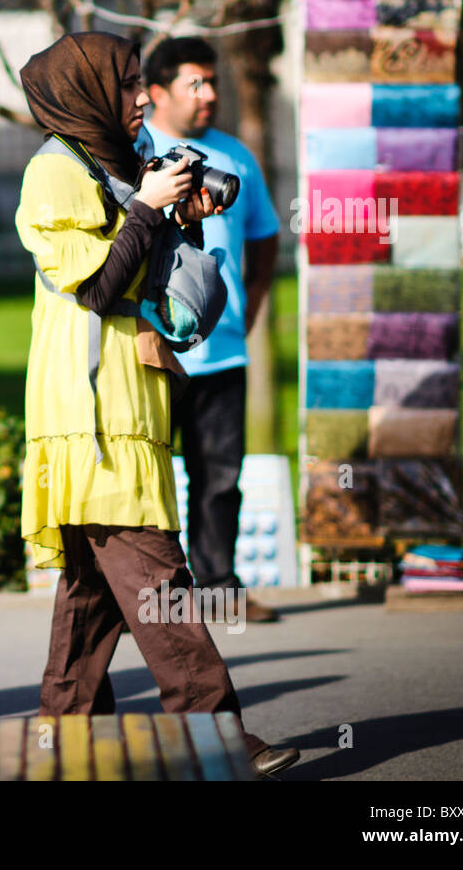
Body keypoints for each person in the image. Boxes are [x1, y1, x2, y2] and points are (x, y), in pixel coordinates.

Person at [17, 31, 298, 777]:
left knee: (91, 594)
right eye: (127, 84)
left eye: (141, 81)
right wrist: (147, 204)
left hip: (131, 398)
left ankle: (63, 740)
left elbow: (163, 291)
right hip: (89, 408)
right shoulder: (53, 174)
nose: (141, 96)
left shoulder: (119, 166)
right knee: (162, 583)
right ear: (82, 94)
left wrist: (187, 214)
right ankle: (218, 738)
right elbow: (98, 287)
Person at [140, 37, 282, 621]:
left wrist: (249, 313)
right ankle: (150, 598)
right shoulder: (136, 150)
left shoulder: (236, 155)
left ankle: (220, 590)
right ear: (156, 93)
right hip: (152, 348)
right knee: (146, 480)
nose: (210, 95)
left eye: (213, 81)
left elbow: (267, 235)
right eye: (195, 83)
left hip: (222, 351)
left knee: (221, 477)